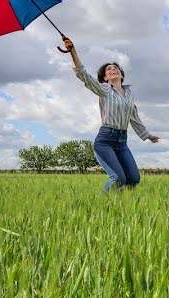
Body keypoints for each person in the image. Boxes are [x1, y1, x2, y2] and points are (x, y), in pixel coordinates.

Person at [62, 36, 159, 191]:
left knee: (133, 179)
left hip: (122, 142)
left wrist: (147, 135)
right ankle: (99, 205)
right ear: (105, 78)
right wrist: (73, 51)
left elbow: (133, 116)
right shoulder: (105, 90)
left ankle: (121, 206)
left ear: (121, 74)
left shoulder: (129, 94)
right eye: (108, 69)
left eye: (116, 68)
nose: (112, 69)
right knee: (118, 179)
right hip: (105, 140)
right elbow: (84, 76)